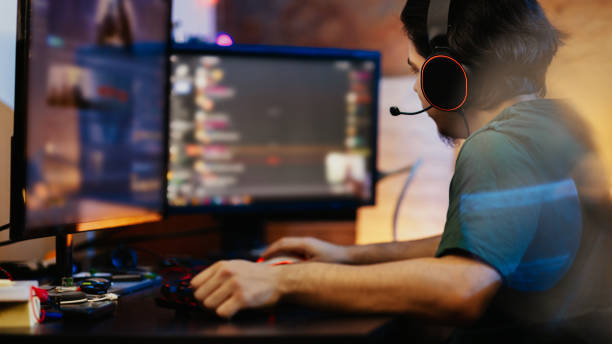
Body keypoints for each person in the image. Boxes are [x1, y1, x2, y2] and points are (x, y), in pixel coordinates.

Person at [190, 0, 611, 341]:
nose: (415, 88)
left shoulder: (495, 147)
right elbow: (493, 238)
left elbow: (461, 287)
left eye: (418, 70)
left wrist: (283, 283)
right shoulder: (557, 124)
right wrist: (349, 256)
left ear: (446, 76)